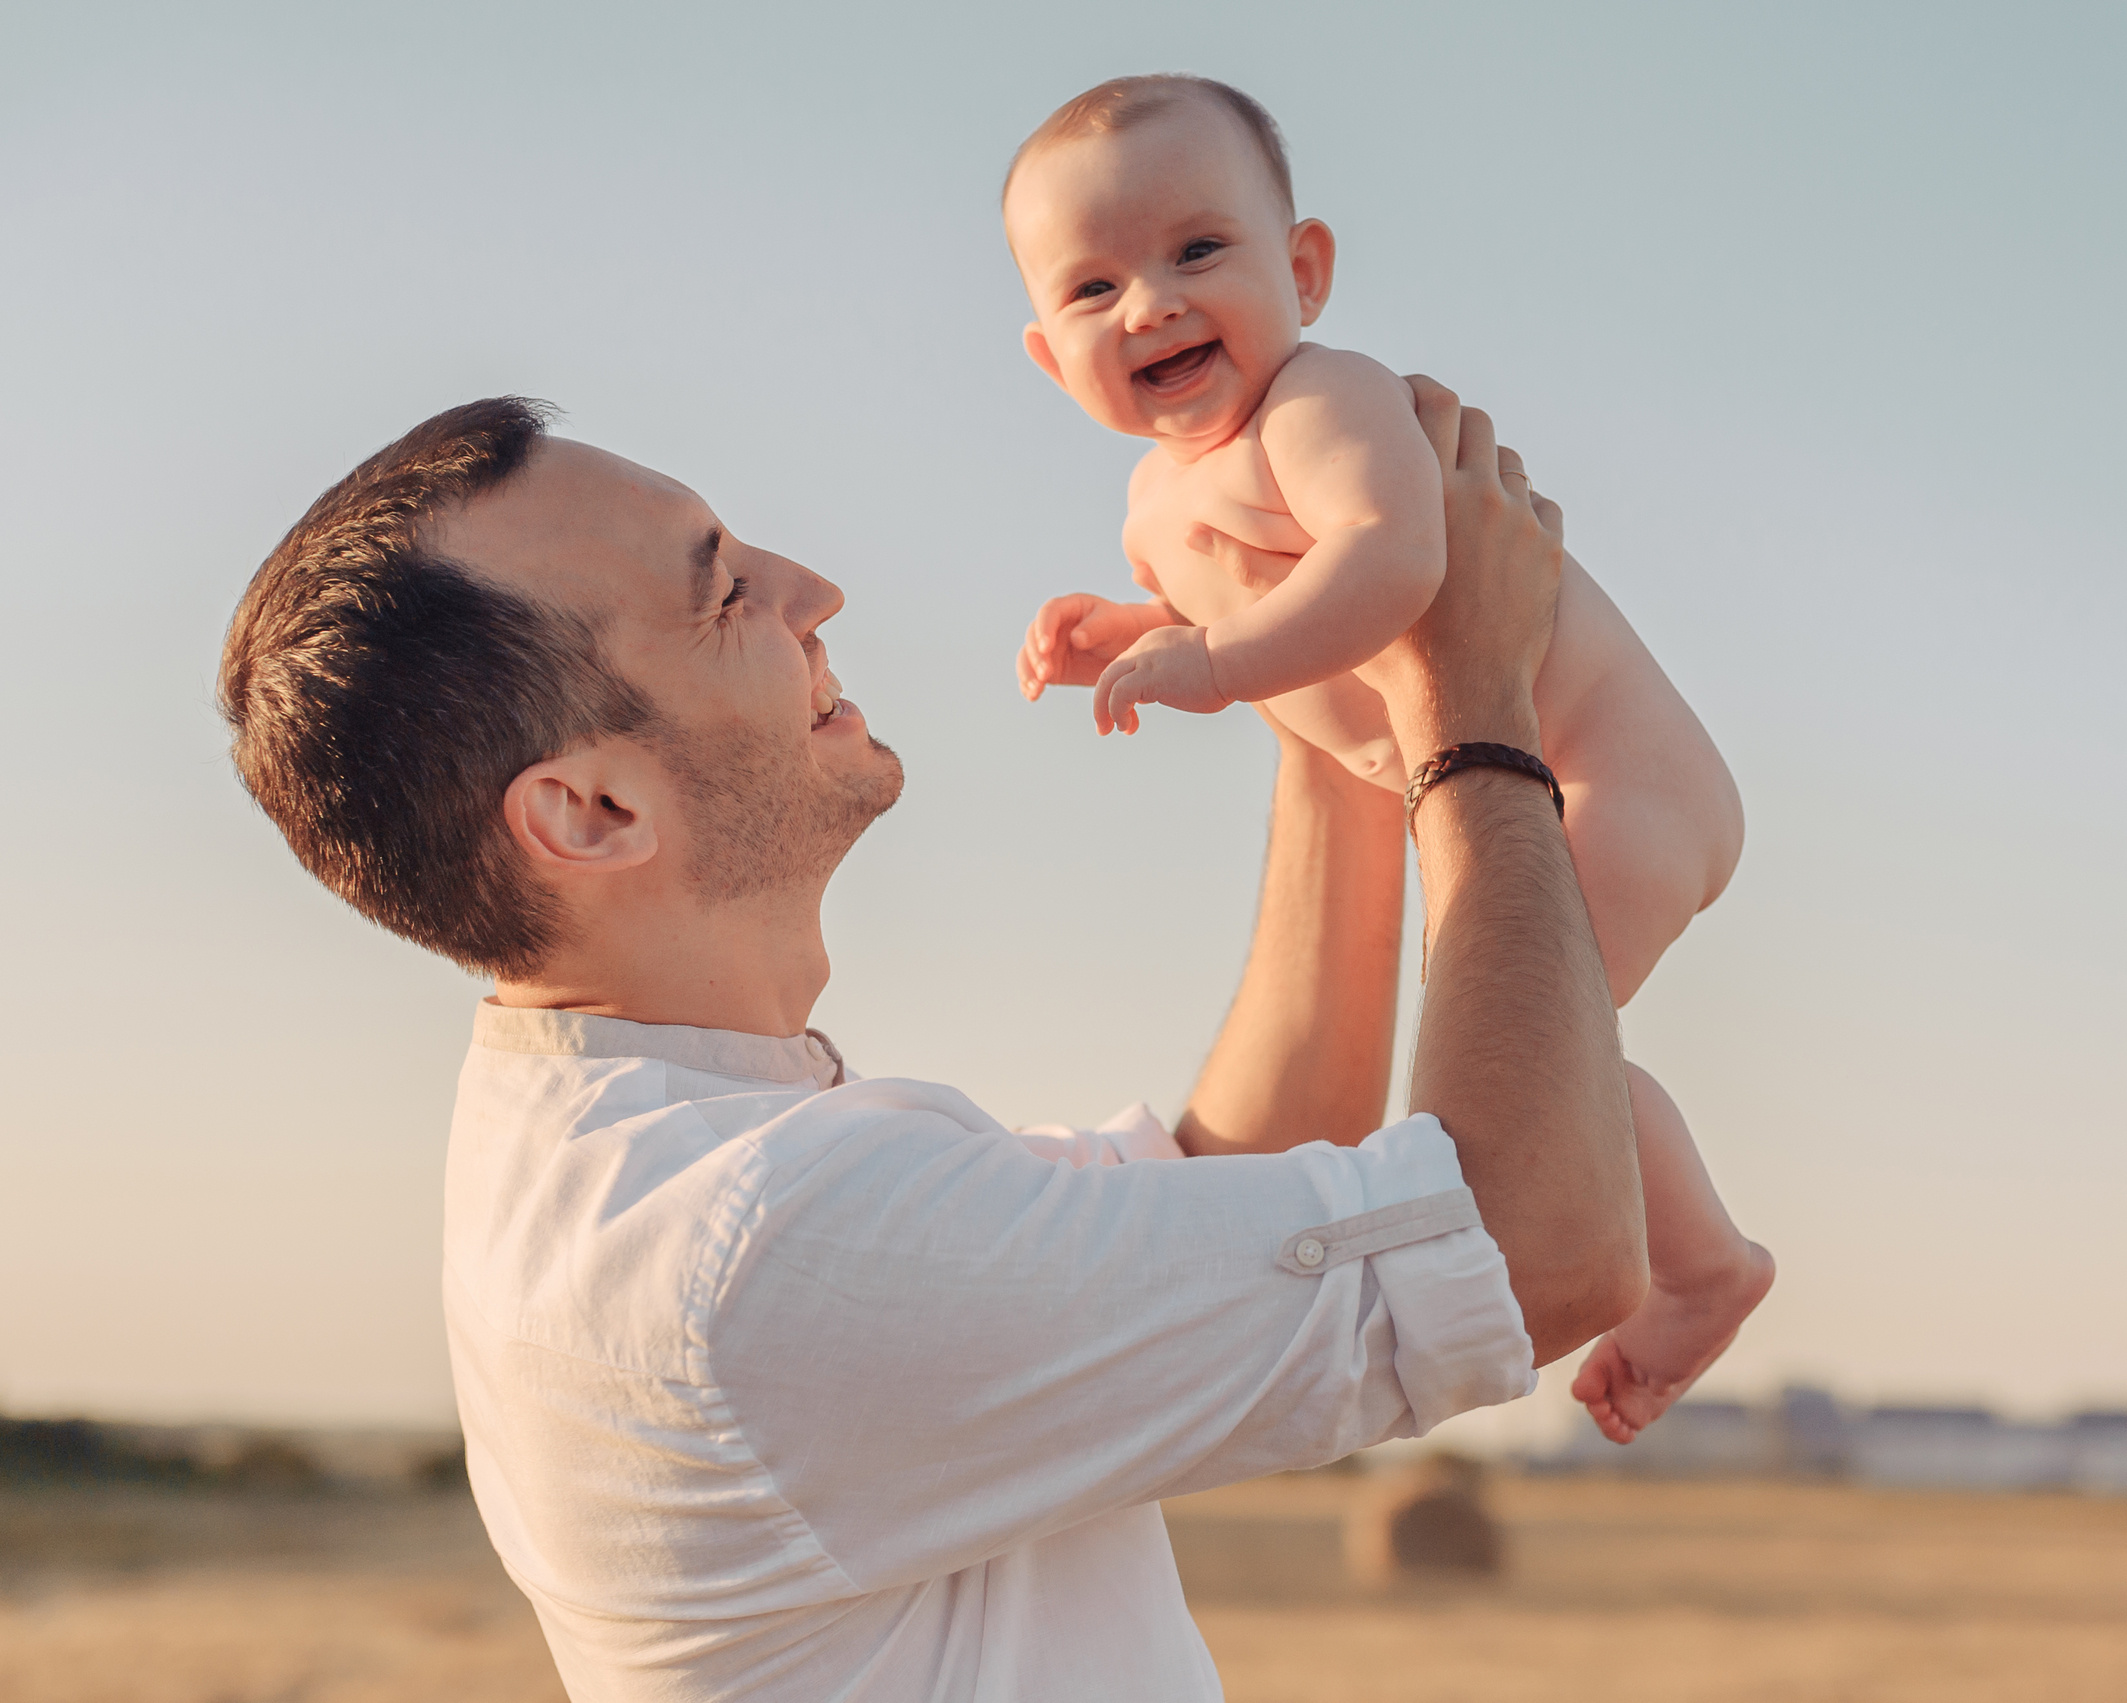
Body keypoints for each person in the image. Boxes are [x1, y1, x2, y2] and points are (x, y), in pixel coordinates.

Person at [217, 380, 1647, 1699]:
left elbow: (1259, 1163)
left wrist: (1320, 673)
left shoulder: (644, 1148)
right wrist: (1471, 703)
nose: (813, 590)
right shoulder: (753, 1247)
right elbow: (1537, 1245)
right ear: (590, 813)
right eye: (724, 593)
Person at [1004, 74, 1772, 1439]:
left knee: (1540, 1055)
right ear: (1049, 359)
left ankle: (1701, 1265)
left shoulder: (1321, 401)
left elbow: (1394, 558)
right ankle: (1697, 1255)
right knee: (1534, 1041)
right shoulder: (1155, 493)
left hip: (1611, 775)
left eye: (1198, 252)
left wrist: (1221, 668)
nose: (1152, 305)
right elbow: (1229, 600)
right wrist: (1126, 631)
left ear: (1303, 271)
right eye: (1094, 288)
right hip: (1513, 782)